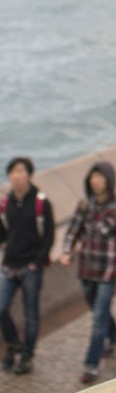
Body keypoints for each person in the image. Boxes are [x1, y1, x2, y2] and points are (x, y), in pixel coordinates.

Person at [59, 161, 116, 384]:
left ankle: (91, 364)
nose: (96, 182)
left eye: (101, 178)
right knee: (99, 312)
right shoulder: (85, 206)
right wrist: (66, 251)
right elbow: (73, 231)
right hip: (86, 270)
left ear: (109, 181)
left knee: (97, 318)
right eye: (93, 177)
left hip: (108, 273)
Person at [0, 156, 55, 375]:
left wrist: (36, 262)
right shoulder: (6, 203)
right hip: (9, 265)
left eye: (21, 171)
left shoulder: (41, 202)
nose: (16, 176)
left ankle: (27, 355)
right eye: (13, 172)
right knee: (1, 308)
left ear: (29, 175)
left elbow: (49, 236)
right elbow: (3, 234)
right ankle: (13, 343)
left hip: (31, 266)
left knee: (31, 315)